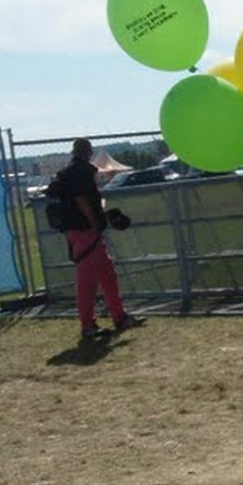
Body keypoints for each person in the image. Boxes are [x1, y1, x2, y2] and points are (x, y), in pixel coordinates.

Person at [58, 139, 145, 341]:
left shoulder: (68, 172)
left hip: (78, 230)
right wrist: (94, 222)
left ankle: (119, 316)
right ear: (88, 152)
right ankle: (88, 325)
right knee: (87, 281)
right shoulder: (81, 172)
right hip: (86, 231)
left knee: (108, 274)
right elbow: (82, 200)